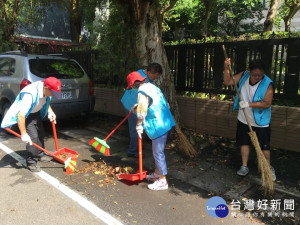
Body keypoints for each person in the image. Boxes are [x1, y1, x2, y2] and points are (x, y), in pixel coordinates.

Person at [223, 58, 276, 181]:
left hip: (261, 121)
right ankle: (244, 166)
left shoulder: (268, 84)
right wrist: (226, 67)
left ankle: (268, 168)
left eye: (260, 75)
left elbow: (267, 103)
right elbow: (228, 81)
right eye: (254, 74)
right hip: (244, 119)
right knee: (244, 142)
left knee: (264, 147)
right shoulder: (244, 75)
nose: (257, 77)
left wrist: (248, 104)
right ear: (250, 71)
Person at [125, 71, 175, 190]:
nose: (132, 88)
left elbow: (142, 111)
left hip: (158, 124)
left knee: (158, 152)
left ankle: (162, 180)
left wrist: (139, 124)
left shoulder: (142, 92)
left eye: (132, 86)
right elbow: (156, 101)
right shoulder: (152, 87)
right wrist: (138, 105)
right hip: (164, 120)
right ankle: (157, 173)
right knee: (157, 151)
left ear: (135, 84)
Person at [1, 77, 62, 172]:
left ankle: (40, 154)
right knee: (33, 137)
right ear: (46, 87)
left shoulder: (45, 90)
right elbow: (21, 115)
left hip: (35, 113)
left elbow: (46, 100)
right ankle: (31, 162)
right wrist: (24, 134)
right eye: (52, 92)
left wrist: (50, 112)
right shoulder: (30, 94)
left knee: (41, 133)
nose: (53, 95)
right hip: (26, 115)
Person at [121, 63, 163, 158]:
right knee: (136, 128)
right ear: (148, 72)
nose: (155, 78)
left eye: (157, 76)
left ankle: (135, 148)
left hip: (134, 104)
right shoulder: (143, 80)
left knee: (137, 127)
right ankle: (133, 151)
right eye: (154, 76)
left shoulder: (141, 73)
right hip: (131, 105)